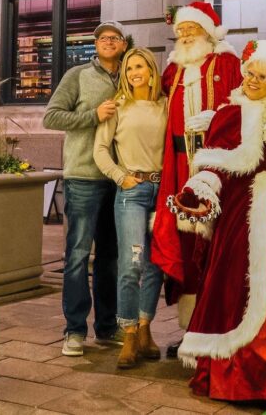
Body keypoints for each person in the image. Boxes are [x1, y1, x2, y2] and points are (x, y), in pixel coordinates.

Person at [169, 39, 266, 401]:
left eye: (263, 76)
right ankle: (243, 369)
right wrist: (200, 190)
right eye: (251, 73)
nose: (253, 80)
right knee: (240, 282)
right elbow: (212, 164)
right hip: (244, 210)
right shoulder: (228, 114)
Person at [150, 1, 242, 350]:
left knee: (217, 244)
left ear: (208, 32)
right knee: (186, 247)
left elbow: (240, 109)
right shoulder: (171, 72)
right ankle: (191, 327)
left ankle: (219, 324)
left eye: (192, 29)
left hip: (214, 165)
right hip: (177, 166)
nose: (185, 36)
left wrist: (215, 121)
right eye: (181, 31)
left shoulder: (228, 63)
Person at [43, 20, 128, 356]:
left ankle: (107, 328)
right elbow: (51, 117)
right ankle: (74, 330)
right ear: (95, 45)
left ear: (123, 45)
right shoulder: (77, 76)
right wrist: (94, 115)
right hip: (83, 177)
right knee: (77, 256)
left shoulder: (130, 75)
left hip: (120, 179)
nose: (108, 41)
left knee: (110, 258)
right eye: (102, 37)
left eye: (114, 38)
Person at [92, 47, 167, 369]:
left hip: (162, 191)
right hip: (132, 193)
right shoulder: (119, 106)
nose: (135, 72)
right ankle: (129, 333)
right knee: (132, 263)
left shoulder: (165, 106)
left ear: (151, 69)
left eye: (141, 66)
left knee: (154, 267)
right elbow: (100, 149)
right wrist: (120, 177)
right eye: (130, 68)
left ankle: (147, 328)